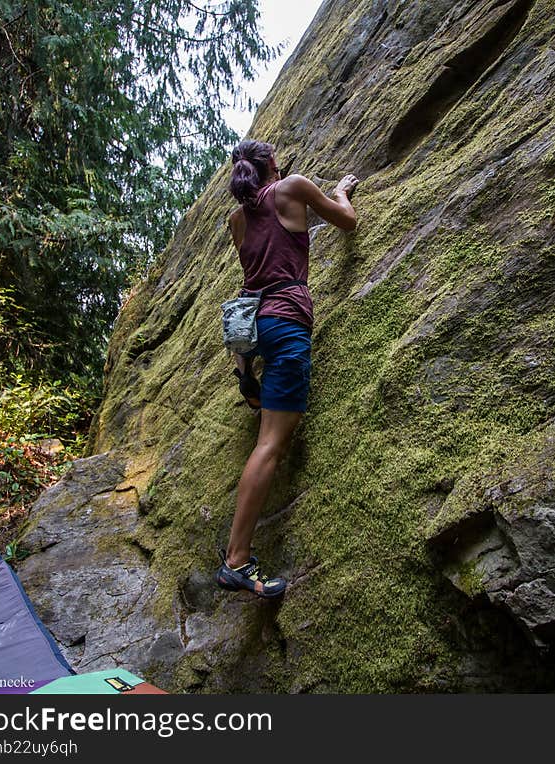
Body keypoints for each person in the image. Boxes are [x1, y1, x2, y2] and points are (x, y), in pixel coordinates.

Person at [215, 138, 358, 598]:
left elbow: (251, 277)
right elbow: (348, 223)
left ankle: (246, 373)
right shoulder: (293, 188)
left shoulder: (237, 220)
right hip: (288, 322)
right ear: (272, 164)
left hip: (255, 323)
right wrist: (341, 191)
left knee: (267, 440)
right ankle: (236, 561)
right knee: (271, 446)